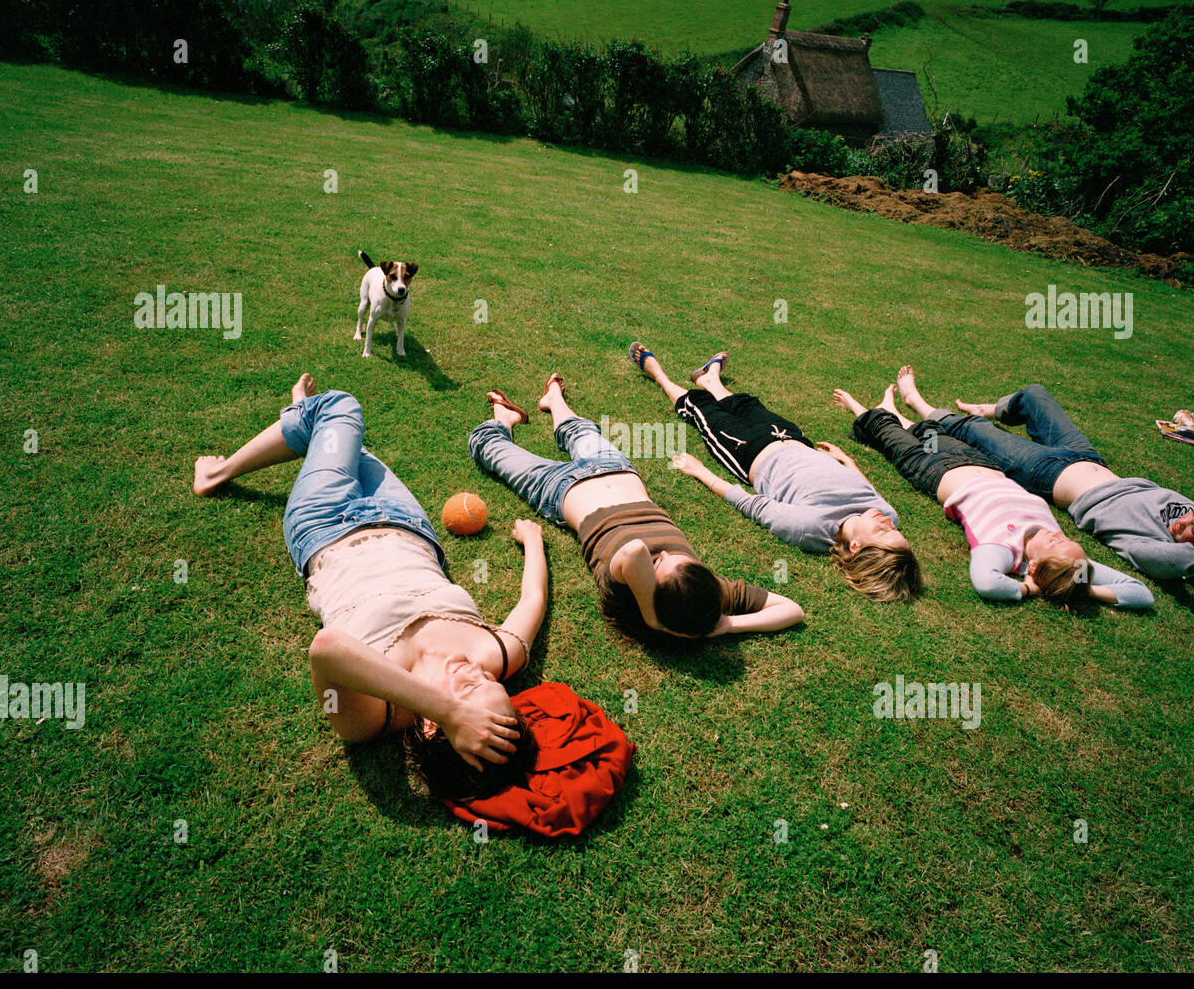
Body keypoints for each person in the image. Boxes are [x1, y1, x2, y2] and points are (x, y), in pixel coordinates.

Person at [193, 373, 546, 801]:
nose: (480, 673)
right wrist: (534, 543)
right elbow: (533, 599)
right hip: (405, 521)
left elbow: (326, 650)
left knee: (341, 409)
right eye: (496, 684)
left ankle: (220, 471)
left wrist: (448, 708)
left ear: (436, 725)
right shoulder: (496, 657)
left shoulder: (373, 718)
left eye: (471, 690)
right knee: (343, 438)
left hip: (325, 525)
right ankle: (303, 420)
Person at [468, 372, 805, 641]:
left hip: (557, 488)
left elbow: (633, 550)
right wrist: (728, 625)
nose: (669, 554)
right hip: (616, 468)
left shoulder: (626, 593)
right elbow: (791, 609)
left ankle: (507, 417)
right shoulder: (703, 590)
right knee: (579, 429)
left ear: (653, 594)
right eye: (683, 561)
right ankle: (554, 401)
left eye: (662, 564)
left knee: (486, 446)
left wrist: (652, 618)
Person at [834, 369, 1154, 610]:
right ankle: (892, 405)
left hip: (933, 472)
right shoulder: (1071, 565)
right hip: (979, 464)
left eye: (1057, 544)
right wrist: (1082, 586)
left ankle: (859, 408)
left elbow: (987, 583)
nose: (1062, 536)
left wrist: (1032, 588)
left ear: (1037, 568)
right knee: (928, 431)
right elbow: (1140, 593)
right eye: (1067, 541)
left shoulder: (1004, 552)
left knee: (890, 435)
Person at [627, 343, 921, 602]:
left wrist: (700, 471)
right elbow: (866, 487)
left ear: (855, 547)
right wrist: (847, 462)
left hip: (749, 453)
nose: (887, 522)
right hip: (791, 438)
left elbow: (750, 504)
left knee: (703, 411)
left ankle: (657, 372)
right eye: (895, 530)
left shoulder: (808, 527)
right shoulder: (887, 513)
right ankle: (710, 379)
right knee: (747, 405)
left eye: (883, 532)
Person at [917, 379, 1194, 581]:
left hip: (1047, 473)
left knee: (975, 432)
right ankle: (993, 408)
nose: (1184, 521)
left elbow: (1170, 561)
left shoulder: (1151, 546)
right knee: (1034, 394)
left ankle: (918, 405)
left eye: (1192, 532)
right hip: (1087, 457)